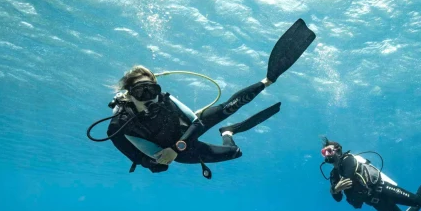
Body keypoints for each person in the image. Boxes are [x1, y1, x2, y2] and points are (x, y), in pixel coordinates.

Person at [94, 19, 316, 177]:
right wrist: (152, 163)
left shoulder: (163, 100)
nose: (150, 98)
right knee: (235, 153)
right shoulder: (118, 125)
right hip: (178, 151)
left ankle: (266, 81)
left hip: (188, 131)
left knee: (228, 107)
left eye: (152, 90)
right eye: (141, 93)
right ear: (129, 94)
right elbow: (135, 155)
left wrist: (178, 145)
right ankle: (228, 132)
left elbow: (195, 121)